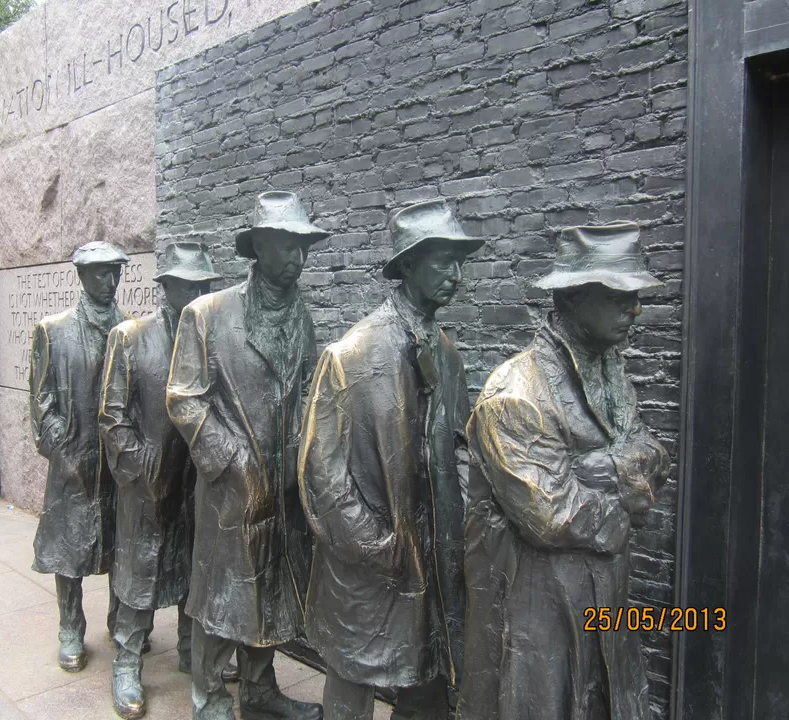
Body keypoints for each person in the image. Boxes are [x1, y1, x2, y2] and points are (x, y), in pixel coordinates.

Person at [458, 222, 671, 720]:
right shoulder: (516, 393)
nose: (636, 309)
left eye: (636, 295)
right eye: (619, 296)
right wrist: (626, 500)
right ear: (573, 299)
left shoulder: (611, 371)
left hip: (604, 594)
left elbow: (654, 454)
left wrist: (600, 468)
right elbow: (553, 516)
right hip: (537, 609)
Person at [298, 200, 481, 720]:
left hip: (433, 549)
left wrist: (458, 511)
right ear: (408, 265)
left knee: (426, 668)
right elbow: (321, 471)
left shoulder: (446, 354)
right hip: (370, 554)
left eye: (460, 262)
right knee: (354, 673)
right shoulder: (352, 354)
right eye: (443, 261)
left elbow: (460, 442)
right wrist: (374, 544)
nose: (456, 274)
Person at [166, 191, 326, 720]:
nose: (298, 257)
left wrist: (304, 456)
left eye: (303, 246)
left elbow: (308, 389)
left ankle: (259, 692)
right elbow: (184, 399)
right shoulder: (207, 313)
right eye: (287, 245)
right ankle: (209, 695)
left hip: (284, 483)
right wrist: (234, 463)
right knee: (221, 593)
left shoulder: (301, 315)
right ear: (258, 247)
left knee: (270, 588)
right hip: (230, 486)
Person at [100, 243, 234, 719]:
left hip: (200, 478)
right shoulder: (130, 337)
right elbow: (112, 416)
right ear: (168, 288)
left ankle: (190, 651)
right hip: (148, 481)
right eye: (187, 287)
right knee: (140, 573)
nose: (196, 295)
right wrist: (140, 468)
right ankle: (127, 660)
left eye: (204, 286)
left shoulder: (215, 340)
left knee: (196, 568)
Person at [29, 240, 130, 674]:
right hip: (74, 459)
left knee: (122, 543)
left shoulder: (130, 328)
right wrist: (61, 449)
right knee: (69, 547)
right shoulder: (54, 330)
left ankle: (120, 621)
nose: (110, 281)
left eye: (115, 272)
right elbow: (41, 400)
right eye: (101, 273)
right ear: (82, 275)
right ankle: (70, 627)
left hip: (119, 461)